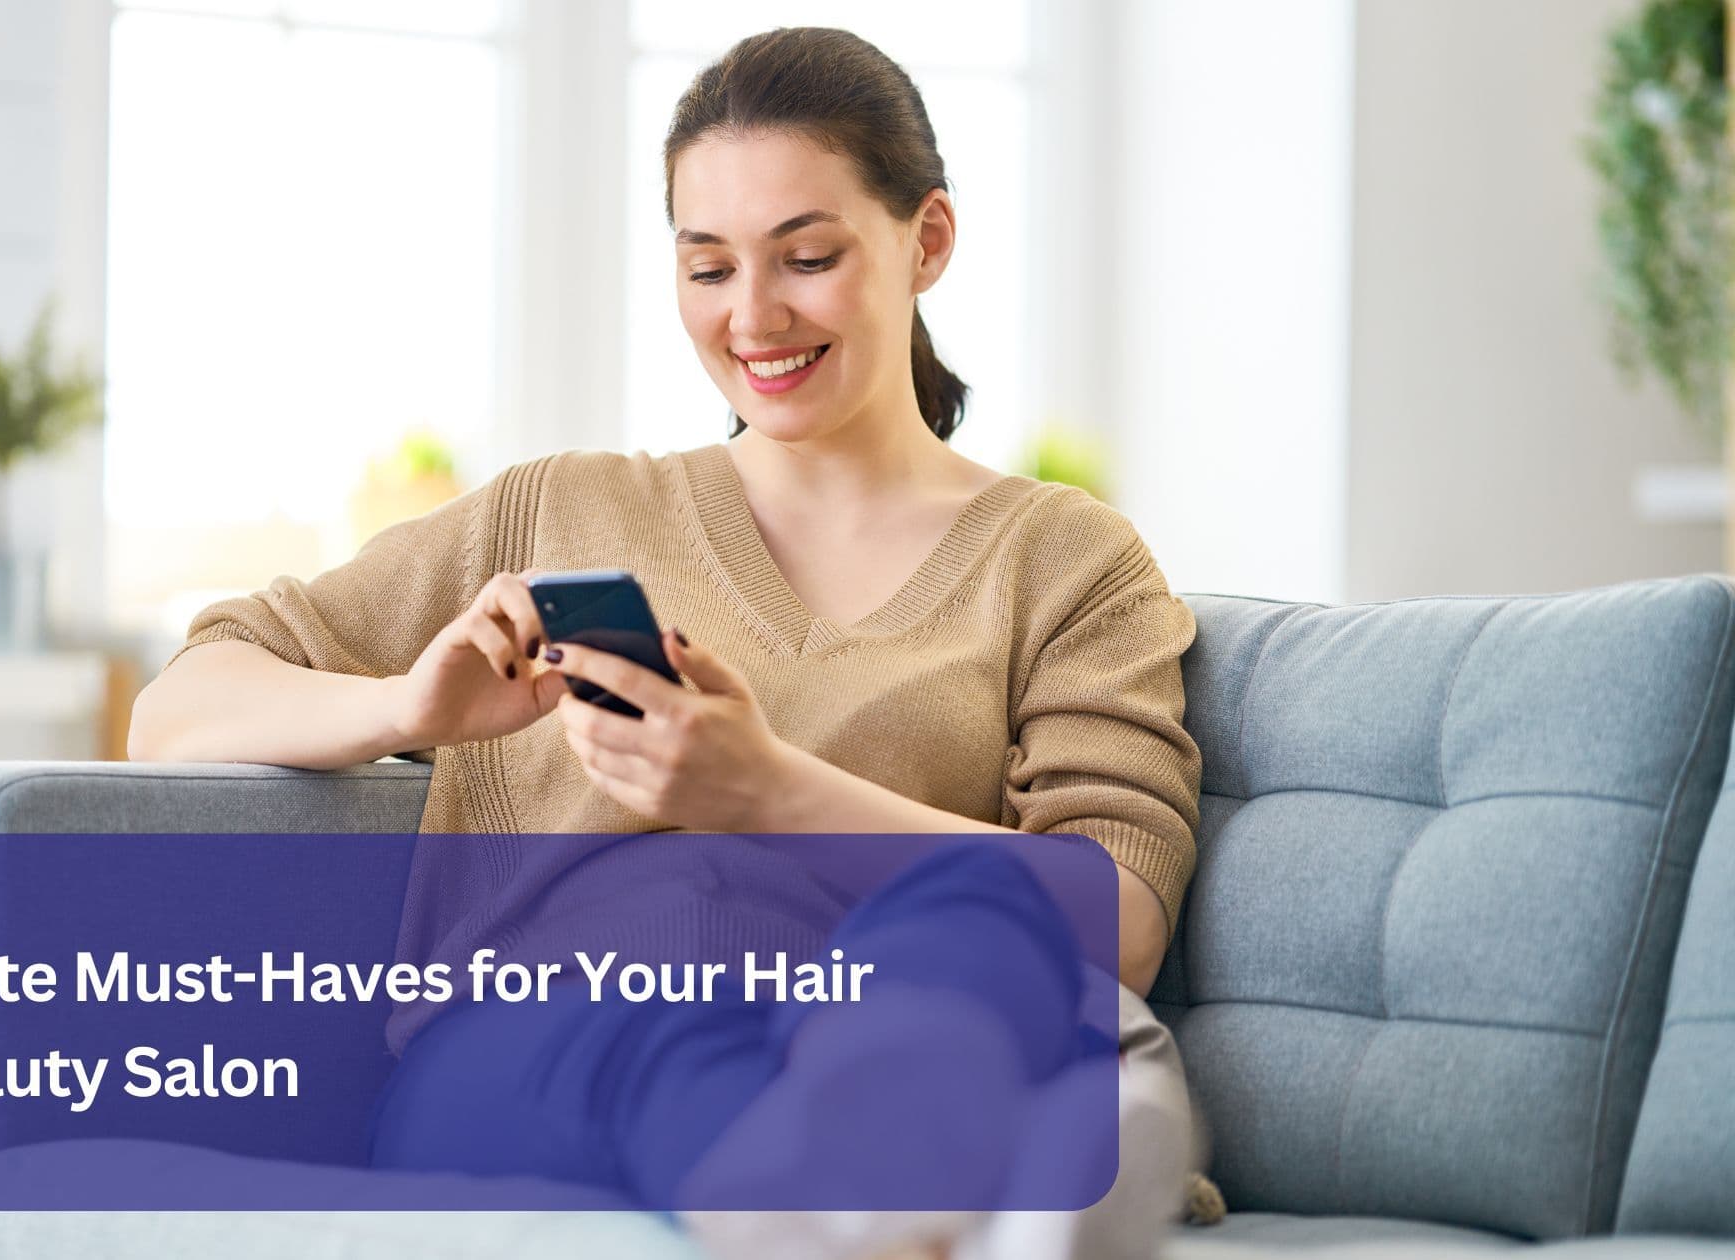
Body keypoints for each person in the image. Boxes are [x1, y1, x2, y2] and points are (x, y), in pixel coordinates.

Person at [130, 26, 1204, 1260]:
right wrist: (405, 707)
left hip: (852, 1013)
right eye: (707, 268)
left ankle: (924, 1178)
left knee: (968, 932)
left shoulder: (1066, 561)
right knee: (644, 1037)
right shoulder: (560, 510)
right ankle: (949, 1182)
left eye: (805, 258)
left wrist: (765, 791)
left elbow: (1112, 917)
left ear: (927, 241)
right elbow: (177, 705)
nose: (753, 317)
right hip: (542, 1037)